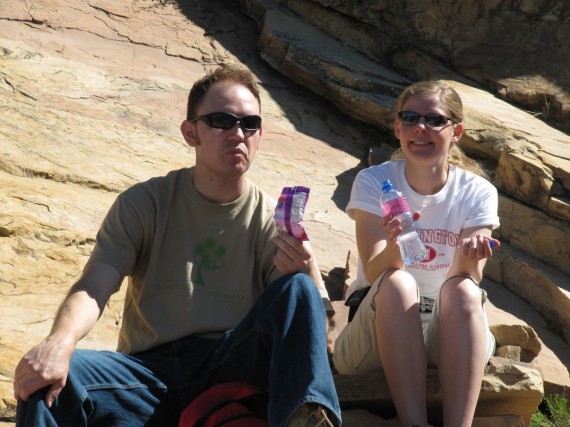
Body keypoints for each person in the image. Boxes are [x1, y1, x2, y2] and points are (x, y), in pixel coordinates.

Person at [13, 64, 341, 427]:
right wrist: (59, 342)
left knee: (297, 287)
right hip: (146, 375)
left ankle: (309, 419)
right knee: (48, 378)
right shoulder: (145, 202)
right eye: (221, 120)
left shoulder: (270, 219)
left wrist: (306, 271)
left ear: (260, 135)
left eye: (249, 124)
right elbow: (94, 286)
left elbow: (310, 327)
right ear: (190, 133)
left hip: (229, 369)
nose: (237, 133)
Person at [332, 80, 500, 427]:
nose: (420, 128)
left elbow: (470, 276)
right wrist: (396, 244)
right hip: (376, 337)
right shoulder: (373, 182)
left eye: (434, 120)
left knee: (464, 289)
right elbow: (376, 271)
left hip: (446, 336)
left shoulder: (477, 191)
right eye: (410, 118)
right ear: (397, 128)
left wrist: (471, 254)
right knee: (397, 283)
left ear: (457, 131)